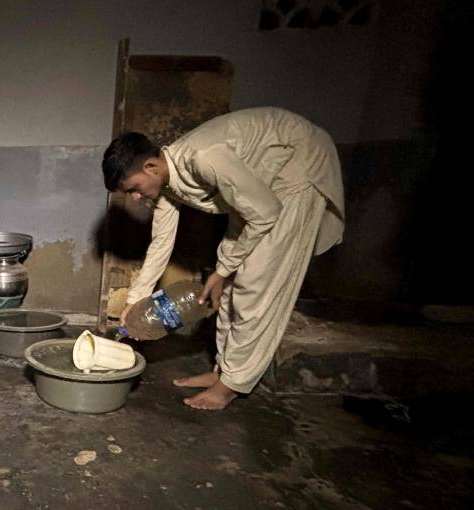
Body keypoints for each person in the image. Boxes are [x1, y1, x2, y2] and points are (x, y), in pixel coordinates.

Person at [103, 107, 344, 410]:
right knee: (223, 288)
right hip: (258, 189)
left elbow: (266, 212)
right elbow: (161, 242)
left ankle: (232, 385)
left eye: (134, 189)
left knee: (256, 283)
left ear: (151, 166)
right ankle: (223, 371)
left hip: (296, 170)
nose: (135, 198)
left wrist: (225, 268)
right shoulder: (165, 181)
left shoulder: (204, 158)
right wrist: (135, 299)